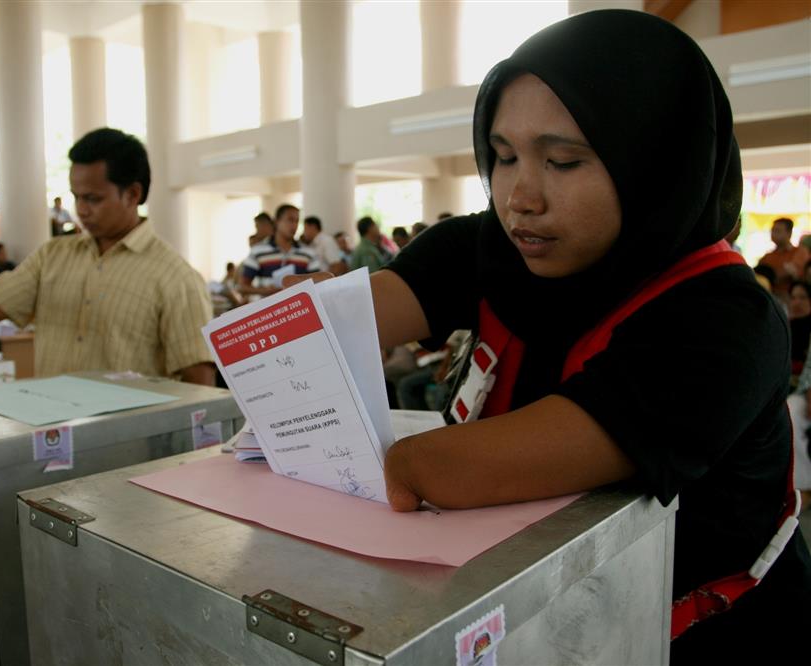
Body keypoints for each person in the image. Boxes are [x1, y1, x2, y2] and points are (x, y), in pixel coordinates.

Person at [293, 10, 810, 661]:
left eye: (563, 161)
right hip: (545, 612)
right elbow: (306, 340)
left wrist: (330, 436)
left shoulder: (725, 323)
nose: (520, 197)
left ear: (655, 162)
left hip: (705, 633)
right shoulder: (490, 247)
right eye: (503, 156)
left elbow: (438, 472)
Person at [0, 127, 216, 384]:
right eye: (76, 197)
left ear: (132, 194)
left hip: (132, 454)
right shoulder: (54, 256)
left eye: (93, 199)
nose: (81, 210)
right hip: (54, 441)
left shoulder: (176, 278)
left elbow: (197, 377)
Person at [238, 203, 321, 297]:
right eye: (290, 220)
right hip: (269, 308)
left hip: (298, 308)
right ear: (276, 221)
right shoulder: (258, 251)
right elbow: (242, 287)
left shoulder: (308, 253)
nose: (294, 225)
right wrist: (264, 290)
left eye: (297, 221)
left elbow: (317, 284)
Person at [758, 217, 808, 299]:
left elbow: (799, 275)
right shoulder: (768, 256)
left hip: (791, 300)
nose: (773, 233)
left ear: (789, 233)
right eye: (773, 230)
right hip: (770, 298)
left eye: (778, 231)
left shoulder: (800, 252)